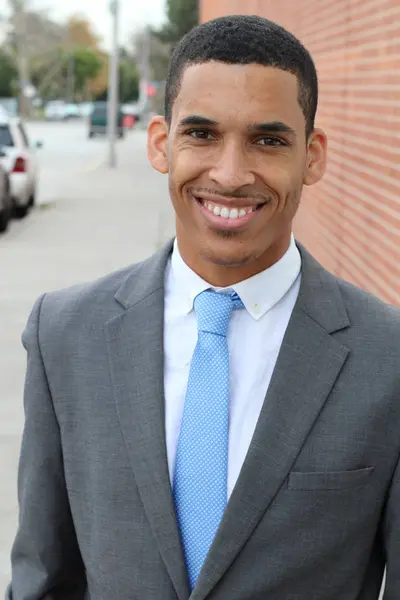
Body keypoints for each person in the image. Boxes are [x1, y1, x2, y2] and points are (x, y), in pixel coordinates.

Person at [6, 15, 400, 600]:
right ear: (162, 143)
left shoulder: (387, 357)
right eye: (203, 134)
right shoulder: (65, 333)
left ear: (312, 156)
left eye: (268, 140)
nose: (231, 174)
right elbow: (42, 576)